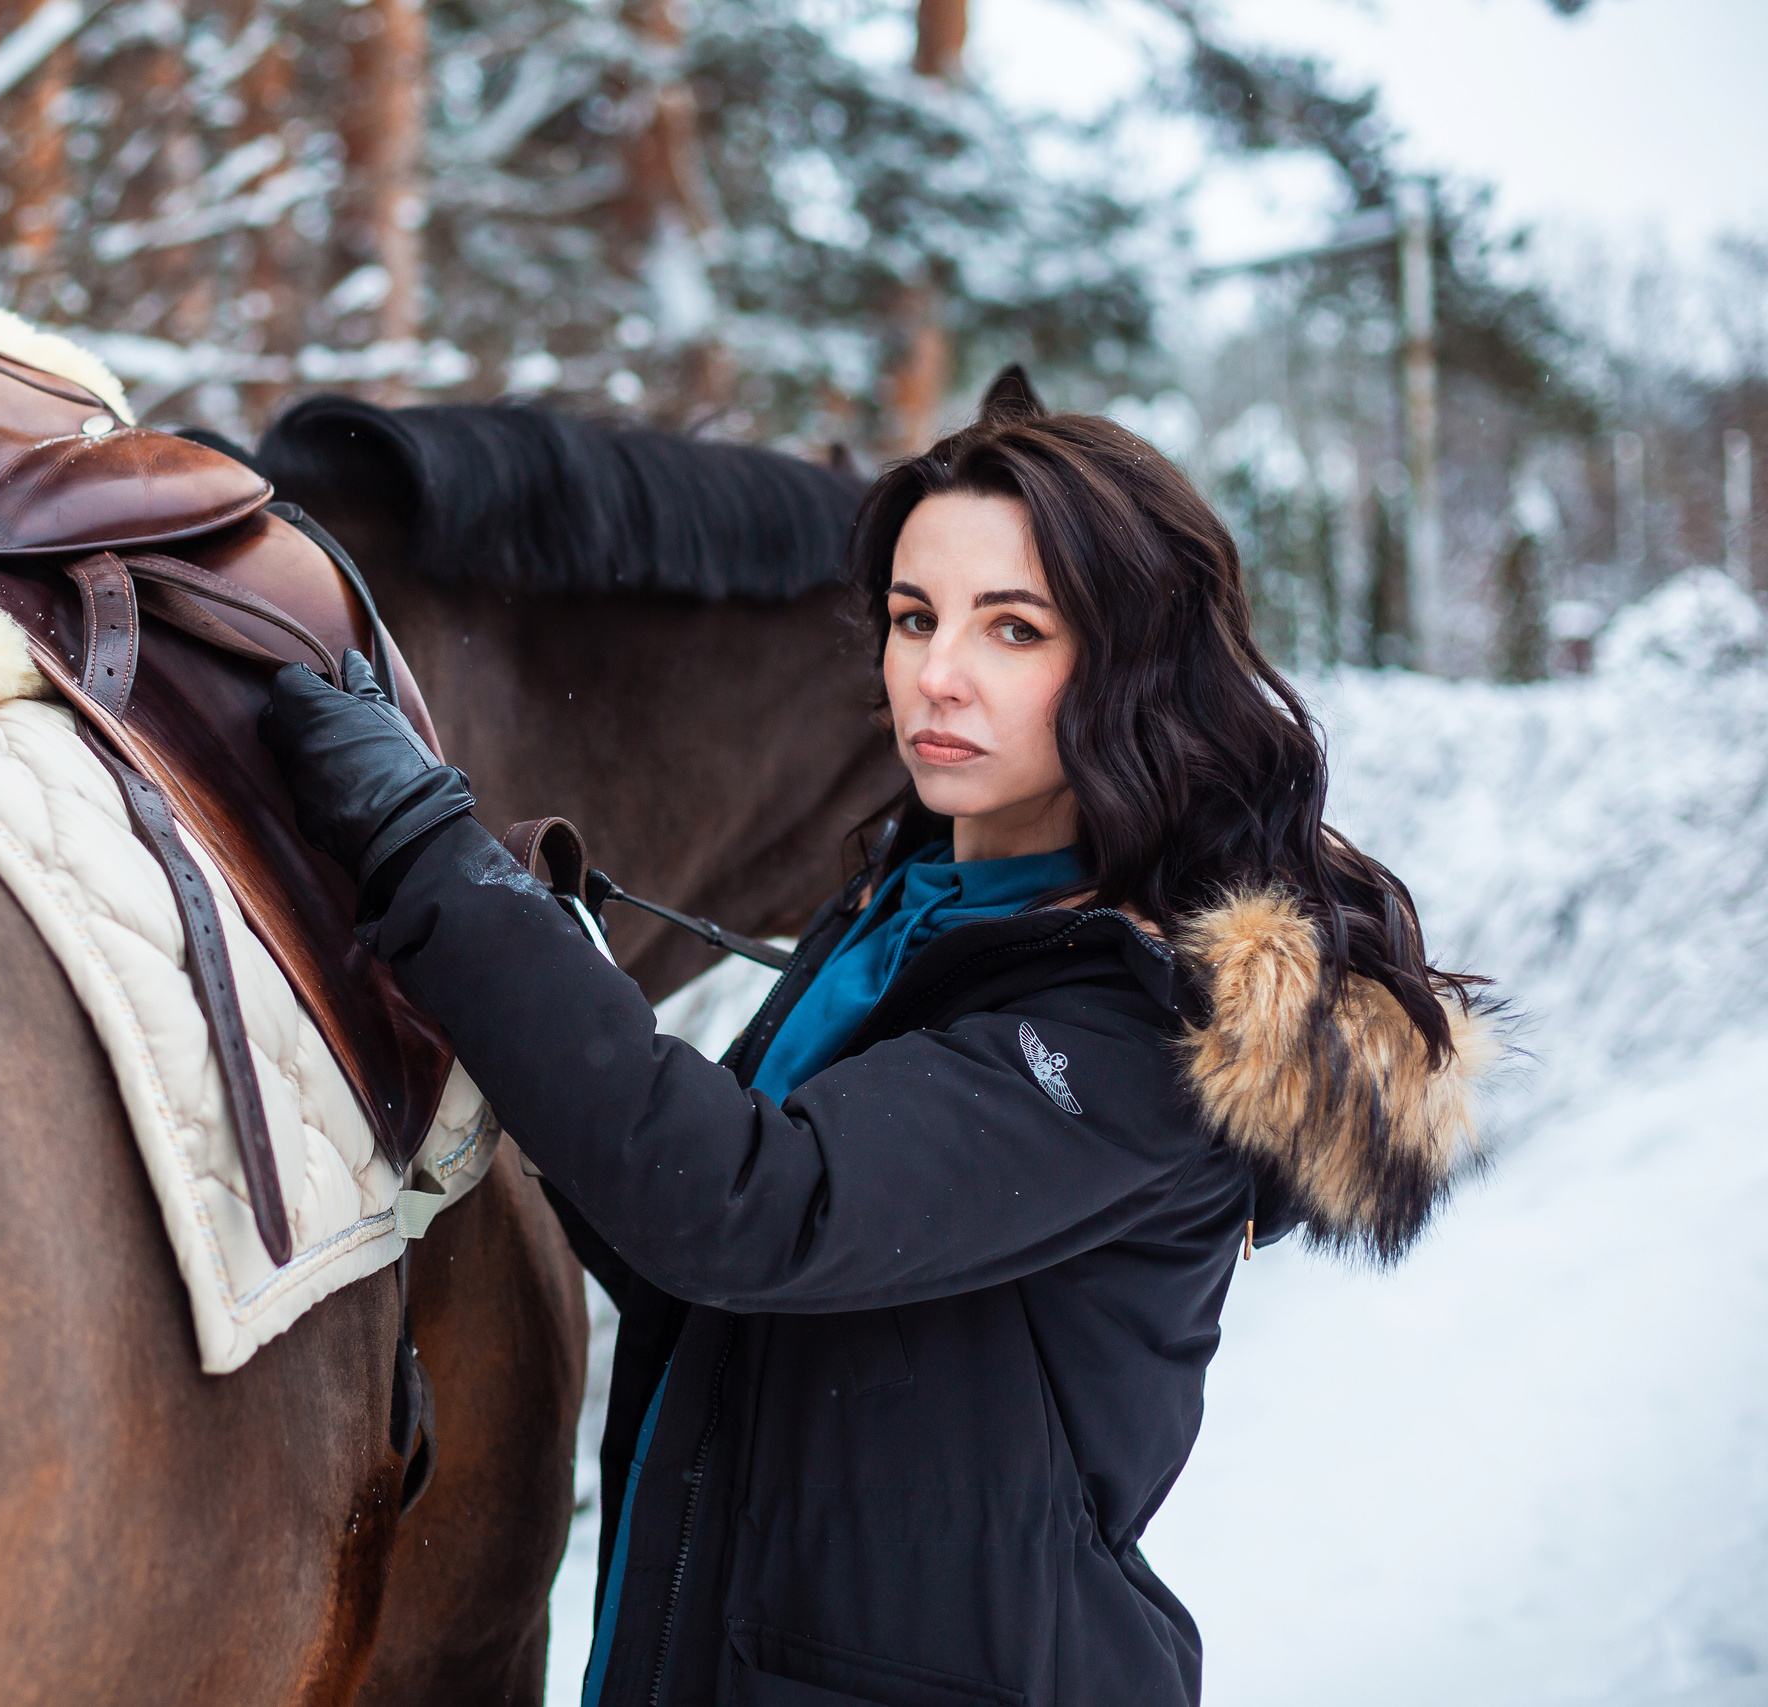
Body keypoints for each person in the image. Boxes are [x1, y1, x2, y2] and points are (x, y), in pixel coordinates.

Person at [258, 368, 1497, 1707]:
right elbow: (696, 1270)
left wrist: (431, 860)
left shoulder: (1142, 1025)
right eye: (914, 618)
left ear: (1134, 657)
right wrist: (525, 991)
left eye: (1013, 630)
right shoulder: (913, 912)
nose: (936, 674)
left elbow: (749, 1211)